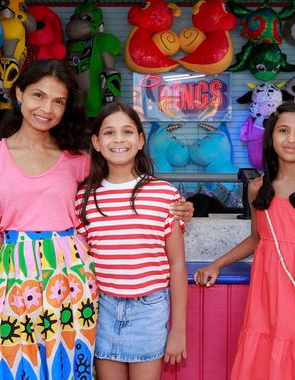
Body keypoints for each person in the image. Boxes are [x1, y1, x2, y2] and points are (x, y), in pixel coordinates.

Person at [0, 61, 193, 380]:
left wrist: (182, 208)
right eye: (38, 96)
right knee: (12, 367)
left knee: (67, 368)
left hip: (72, 283)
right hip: (15, 279)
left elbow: (121, 194)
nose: (46, 108)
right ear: (19, 94)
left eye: (58, 101)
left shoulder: (78, 161)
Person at [194, 101, 295, 379]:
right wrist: (218, 264)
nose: (291, 139)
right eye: (283, 130)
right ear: (271, 136)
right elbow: (257, 239)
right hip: (265, 300)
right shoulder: (257, 189)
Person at [75, 102, 188, 380]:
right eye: (109, 133)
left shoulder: (164, 195)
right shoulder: (83, 198)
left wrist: (178, 330)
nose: (118, 140)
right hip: (102, 310)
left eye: (127, 132)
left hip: (149, 312)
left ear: (140, 140)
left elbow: (177, 264)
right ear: (96, 143)